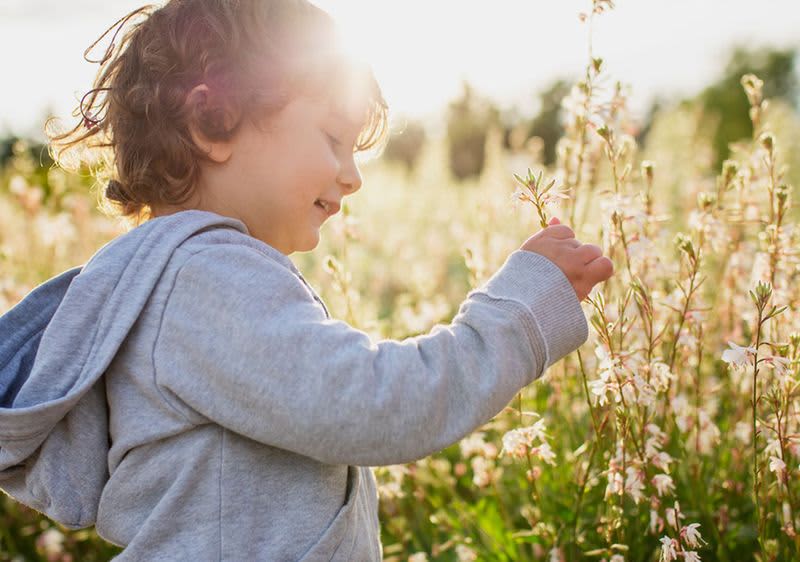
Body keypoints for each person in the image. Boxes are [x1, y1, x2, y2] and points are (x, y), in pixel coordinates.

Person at [0, 1, 614, 560]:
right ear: (211, 122)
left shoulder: (175, 280)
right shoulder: (205, 281)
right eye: (333, 138)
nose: (353, 176)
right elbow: (375, 406)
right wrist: (517, 317)